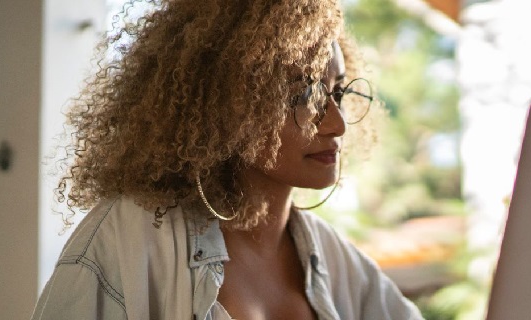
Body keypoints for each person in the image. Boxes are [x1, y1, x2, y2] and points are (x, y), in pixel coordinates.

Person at [31, 0, 424, 319]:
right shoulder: (130, 237)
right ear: (224, 104)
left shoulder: (338, 263)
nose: (337, 124)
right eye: (303, 96)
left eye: (337, 92)